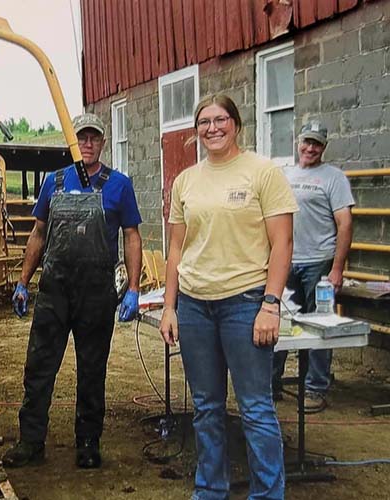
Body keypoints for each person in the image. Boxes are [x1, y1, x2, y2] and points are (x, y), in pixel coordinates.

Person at [160, 94, 297, 499]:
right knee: (206, 408)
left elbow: (283, 243)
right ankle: (209, 491)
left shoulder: (262, 172)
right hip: (195, 307)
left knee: (255, 408)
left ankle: (267, 494)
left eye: (221, 119)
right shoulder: (186, 181)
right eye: (204, 121)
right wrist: (170, 307)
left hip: (245, 303)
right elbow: (176, 251)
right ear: (196, 130)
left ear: (236, 124)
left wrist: (270, 304)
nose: (212, 128)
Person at [3, 112, 142, 469]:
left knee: (92, 369)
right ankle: (31, 441)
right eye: (82, 137)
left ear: (103, 142)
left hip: (96, 291)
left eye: (94, 137)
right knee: (38, 367)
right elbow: (38, 233)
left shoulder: (119, 185)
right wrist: (23, 281)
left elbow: (131, 236)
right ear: (74, 141)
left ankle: (88, 442)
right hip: (55, 289)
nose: (88, 143)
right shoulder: (54, 182)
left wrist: (133, 288)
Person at [272, 122, 354, 413]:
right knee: (279, 322)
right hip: (286, 261)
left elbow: (345, 224)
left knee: (318, 327)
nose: (310, 148)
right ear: (298, 142)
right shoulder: (284, 175)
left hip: (318, 263)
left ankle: (315, 388)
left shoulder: (334, 178)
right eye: (307, 142)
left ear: (324, 148)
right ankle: (272, 384)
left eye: (316, 144)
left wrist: (337, 269)